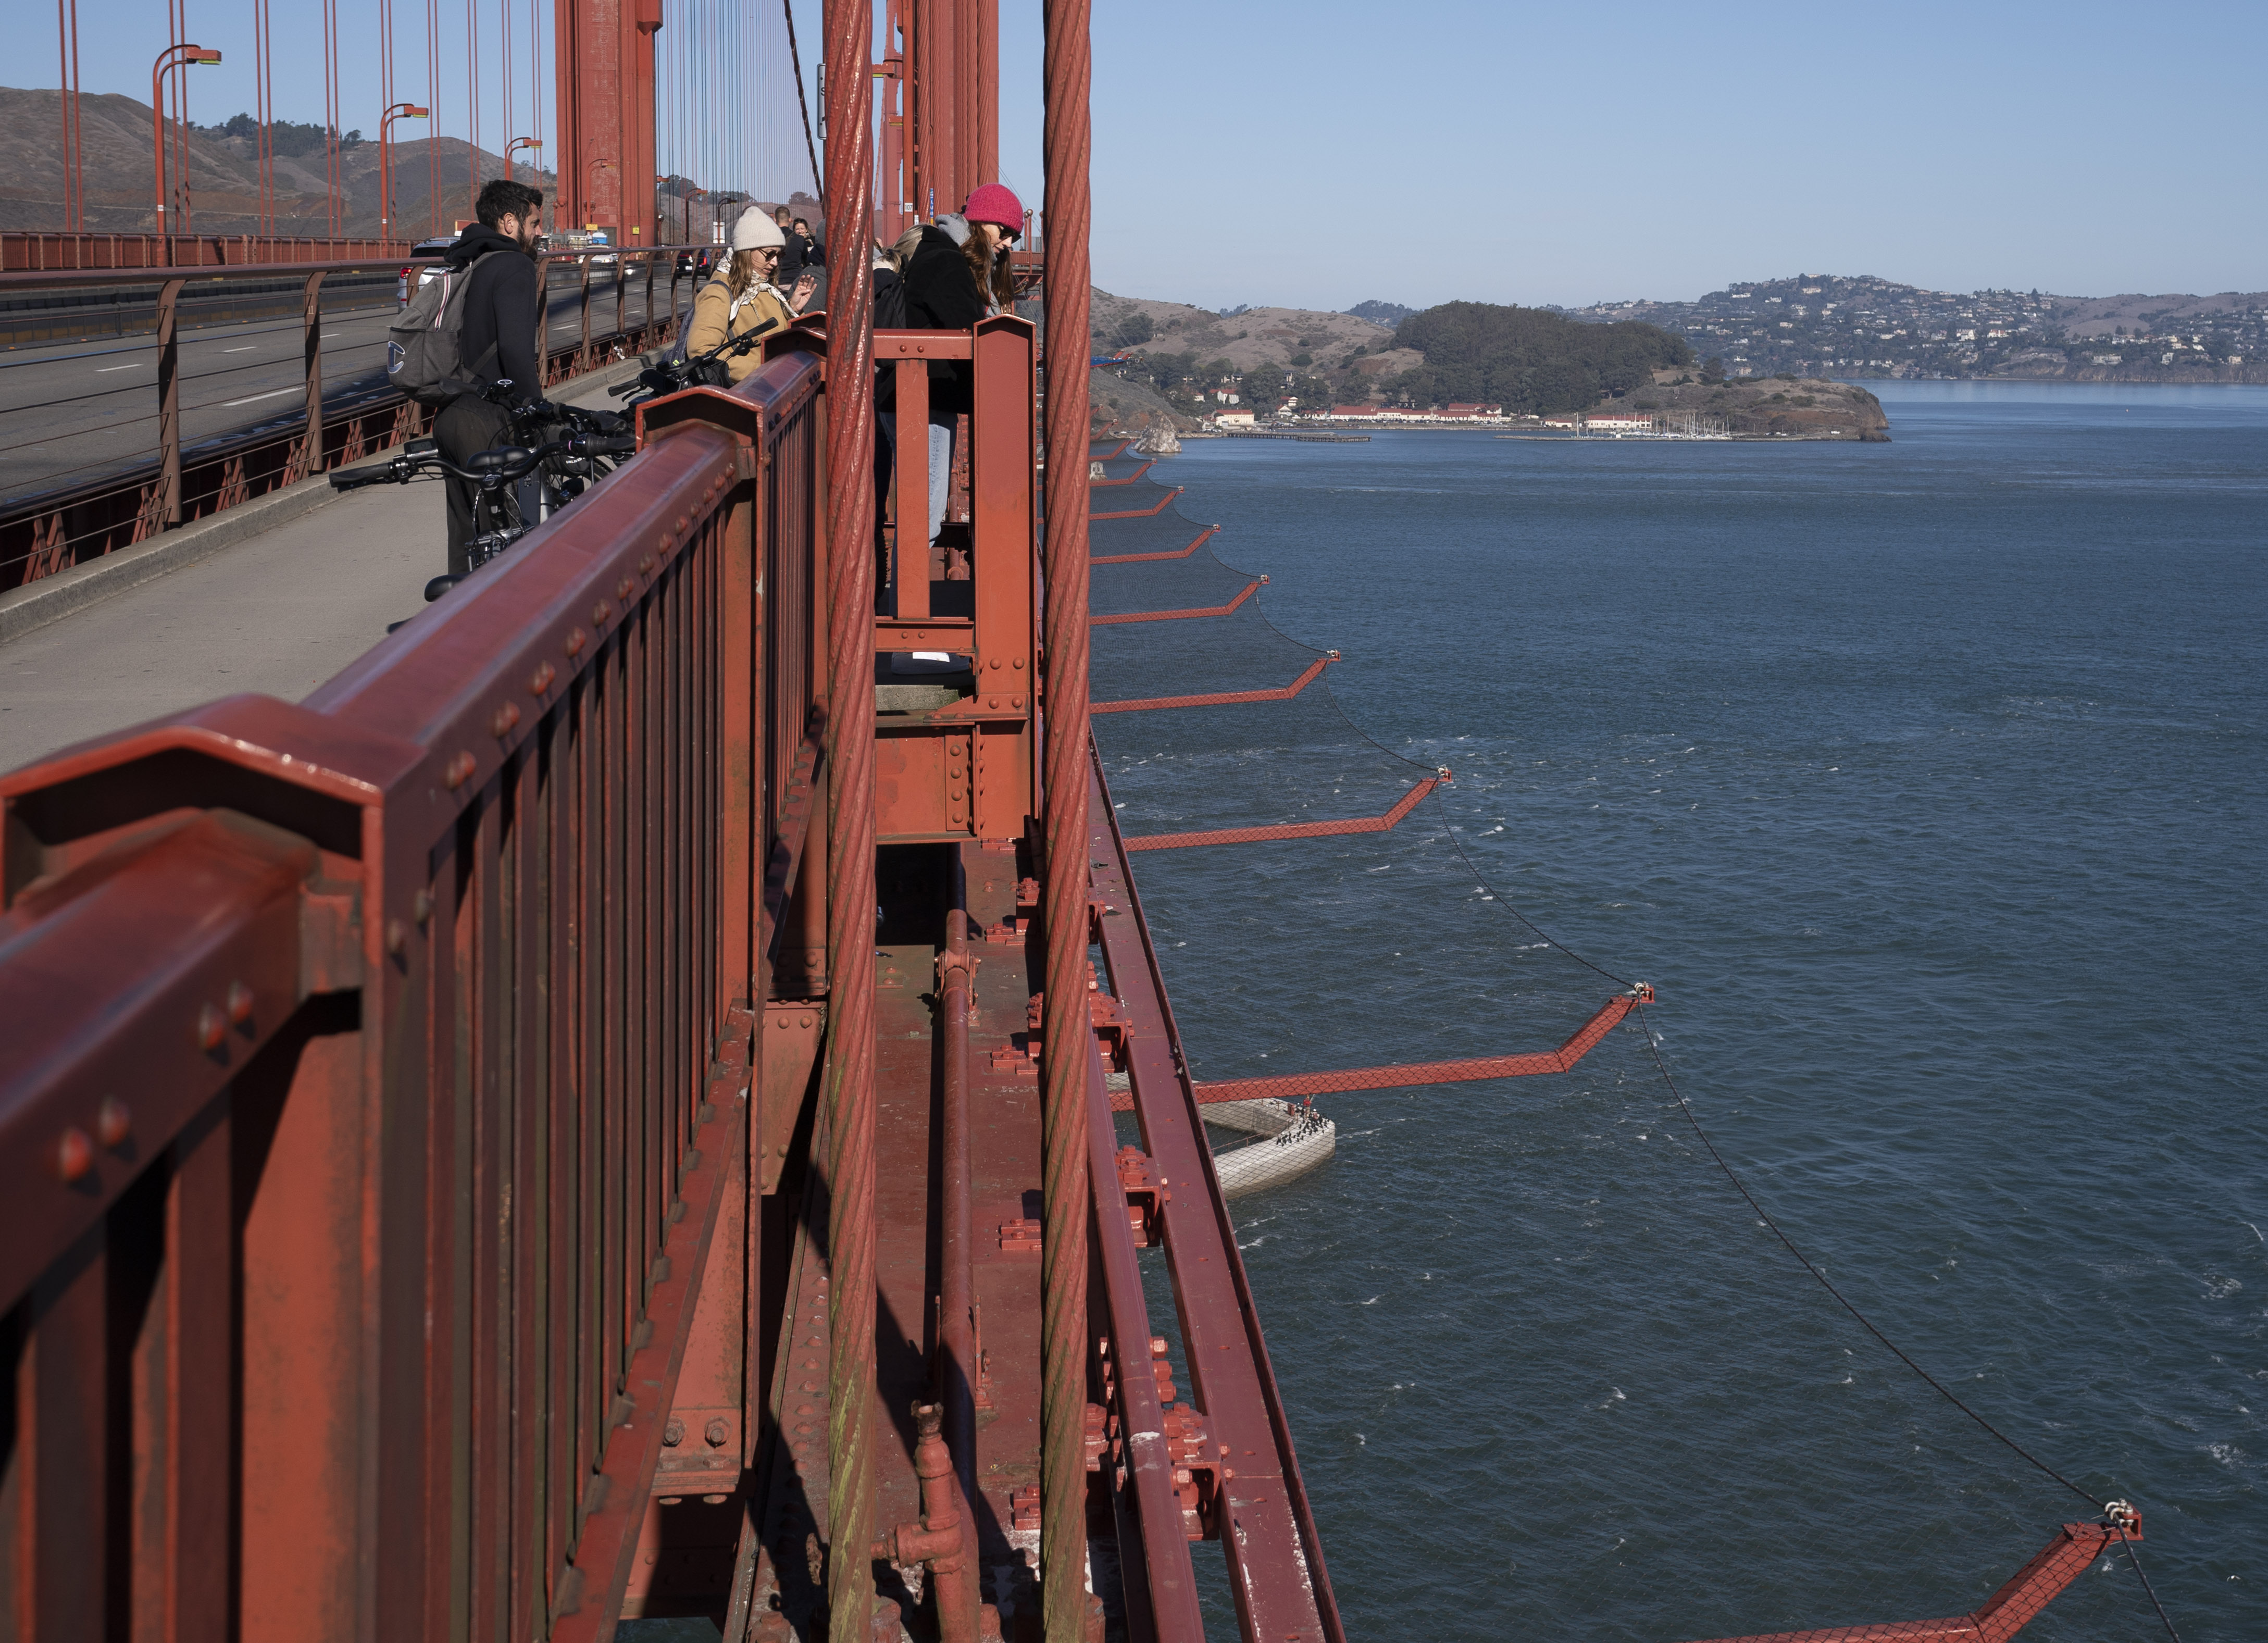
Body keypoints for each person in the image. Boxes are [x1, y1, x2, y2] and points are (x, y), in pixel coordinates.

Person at [889, 183, 1022, 596]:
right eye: (1005, 230)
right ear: (983, 220)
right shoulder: (947, 262)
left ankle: (901, 620)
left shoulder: (939, 253)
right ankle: (907, 638)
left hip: (919, 399)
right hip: (923, 402)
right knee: (922, 519)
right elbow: (976, 333)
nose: (1009, 242)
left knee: (919, 515)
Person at [433, 177, 545, 577]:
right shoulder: (515, 265)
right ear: (510, 222)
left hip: (450, 414)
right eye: (534, 223)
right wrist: (537, 407)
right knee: (502, 542)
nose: (539, 232)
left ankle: (456, 626)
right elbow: (516, 351)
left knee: (466, 543)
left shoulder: (469, 260)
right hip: (487, 423)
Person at [684, 208, 817, 385]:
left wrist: (792, 309)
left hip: (768, 391)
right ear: (747, 251)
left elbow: (773, 338)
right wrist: (763, 372)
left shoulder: (763, 288)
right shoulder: (719, 293)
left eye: (779, 255)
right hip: (742, 398)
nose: (775, 262)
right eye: (769, 254)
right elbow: (701, 350)